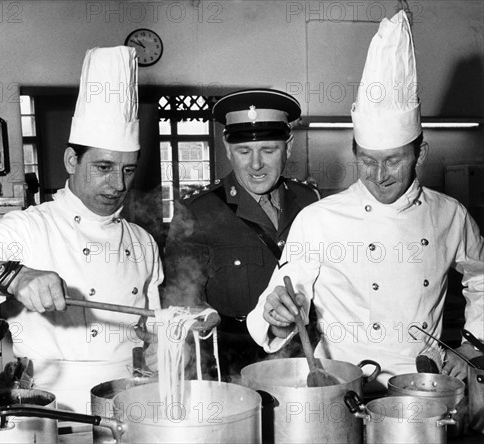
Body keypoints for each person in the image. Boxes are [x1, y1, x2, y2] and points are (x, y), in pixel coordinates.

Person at [247, 11, 484, 392]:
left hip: (424, 388)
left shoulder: (450, 215)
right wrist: (278, 315)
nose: (379, 175)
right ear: (354, 152)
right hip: (344, 390)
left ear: (420, 154)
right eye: (367, 161)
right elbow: (281, 300)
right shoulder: (319, 219)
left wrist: (472, 347)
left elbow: (480, 277)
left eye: (393, 160)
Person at [0, 46, 163, 412]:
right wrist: (15, 277)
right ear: (72, 160)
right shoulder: (31, 227)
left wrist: (170, 341)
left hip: (130, 404)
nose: (118, 184)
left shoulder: (143, 242)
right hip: (51, 408)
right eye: (103, 167)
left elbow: (154, 331)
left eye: (128, 170)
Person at [164, 89, 319, 381]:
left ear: (289, 145)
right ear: (226, 148)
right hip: (233, 367)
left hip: (304, 359)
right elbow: (181, 301)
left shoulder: (310, 200)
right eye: (244, 151)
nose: (256, 164)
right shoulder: (197, 212)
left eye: (268, 150)